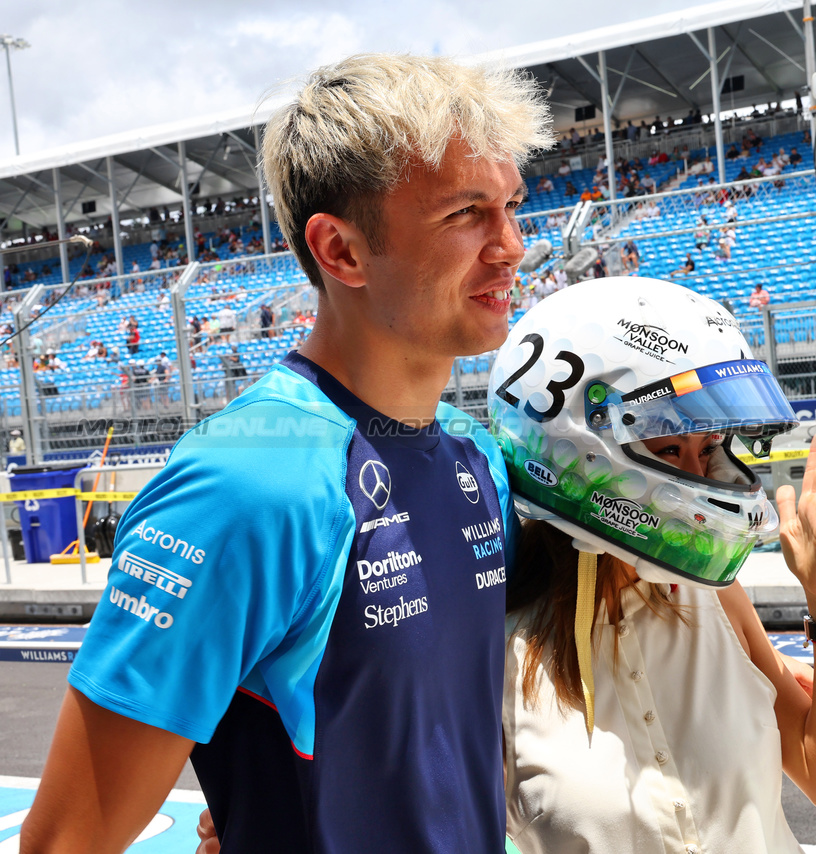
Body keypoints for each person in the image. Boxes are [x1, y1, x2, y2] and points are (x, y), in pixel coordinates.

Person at [22, 53, 553, 854]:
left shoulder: (476, 458)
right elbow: (66, 840)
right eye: (465, 214)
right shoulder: (250, 481)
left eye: (511, 205)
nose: (511, 245)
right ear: (339, 252)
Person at [492, 279, 816, 852]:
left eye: (709, 448)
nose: (700, 475)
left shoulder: (718, 599)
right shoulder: (499, 654)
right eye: (669, 450)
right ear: (576, 447)